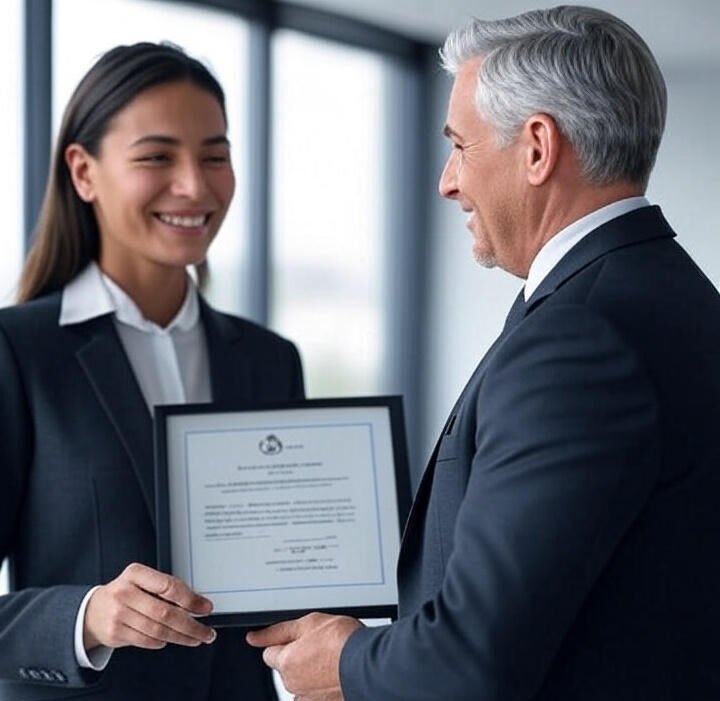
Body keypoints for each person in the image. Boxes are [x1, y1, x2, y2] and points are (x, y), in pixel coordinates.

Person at [246, 6, 720, 700]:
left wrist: (343, 661)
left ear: (536, 147)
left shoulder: (579, 338)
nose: (445, 181)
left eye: (460, 147)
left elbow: (471, 658)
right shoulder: (675, 297)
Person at [0, 42, 303, 700]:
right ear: (84, 172)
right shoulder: (17, 353)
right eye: (157, 157)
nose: (195, 185)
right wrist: (87, 617)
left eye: (215, 155)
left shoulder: (270, 359)